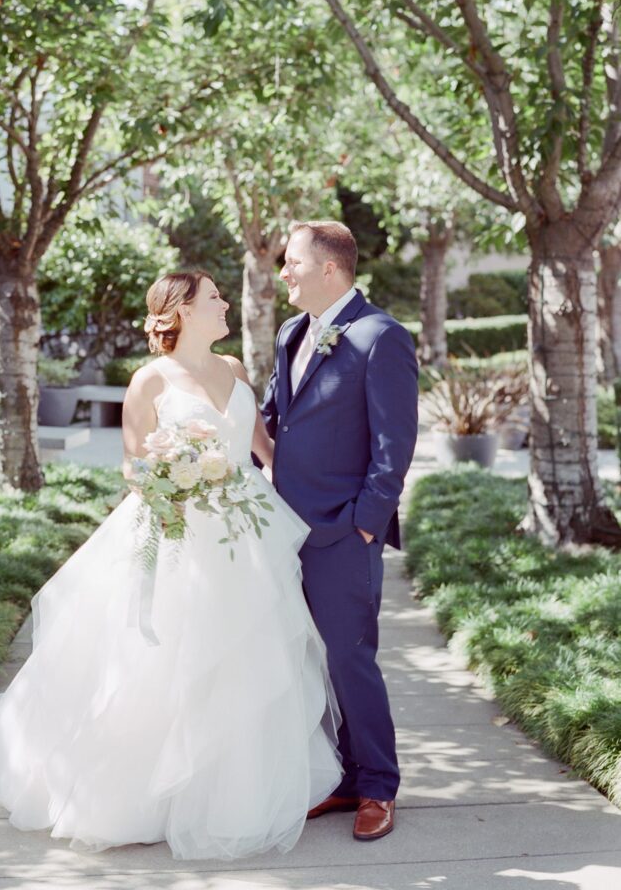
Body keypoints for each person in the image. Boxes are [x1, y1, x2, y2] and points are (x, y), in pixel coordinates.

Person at [0, 270, 342, 860]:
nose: (223, 303)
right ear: (182, 310)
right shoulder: (150, 380)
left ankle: (235, 788)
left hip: (247, 530)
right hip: (178, 531)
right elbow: (133, 470)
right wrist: (181, 480)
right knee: (172, 663)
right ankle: (153, 794)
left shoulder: (236, 369)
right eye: (213, 296)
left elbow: (265, 447)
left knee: (249, 657)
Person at [261, 220, 418, 841]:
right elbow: (277, 419)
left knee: (352, 660)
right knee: (308, 662)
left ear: (330, 268)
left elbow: (394, 445)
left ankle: (378, 786)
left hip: (342, 533)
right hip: (281, 530)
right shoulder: (290, 332)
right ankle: (346, 779)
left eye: (292, 262)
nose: (284, 273)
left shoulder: (382, 337)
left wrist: (365, 526)